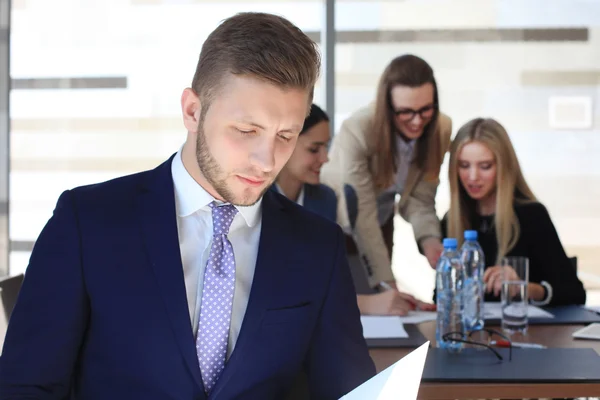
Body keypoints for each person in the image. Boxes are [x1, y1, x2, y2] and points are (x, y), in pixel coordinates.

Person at [0, 13, 376, 400]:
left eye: (286, 135)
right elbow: (27, 386)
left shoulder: (318, 247)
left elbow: (352, 392)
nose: (266, 161)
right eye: (247, 131)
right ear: (193, 111)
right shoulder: (87, 223)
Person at [275, 104, 434, 316]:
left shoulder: (324, 199)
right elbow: (279, 288)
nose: (325, 158)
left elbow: (322, 281)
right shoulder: (257, 202)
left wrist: (389, 296)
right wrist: (365, 304)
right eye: (314, 149)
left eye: (326, 147)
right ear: (283, 144)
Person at [321, 54, 452, 289]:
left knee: (383, 305)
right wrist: (388, 283)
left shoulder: (440, 128)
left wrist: (430, 240)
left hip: (381, 220)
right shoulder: (358, 129)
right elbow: (361, 211)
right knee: (355, 299)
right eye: (406, 112)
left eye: (425, 110)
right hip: (337, 222)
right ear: (387, 107)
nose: (416, 121)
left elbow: (420, 198)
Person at [441, 117, 586, 306]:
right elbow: (441, 295)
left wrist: (523, 287)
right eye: (464, 165)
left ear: (503, 167)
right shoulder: (451, 220)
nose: (473, 177)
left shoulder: (532, 215)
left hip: (525, 332)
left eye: (485, 166)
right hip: (470, 332)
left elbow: (574, 293)